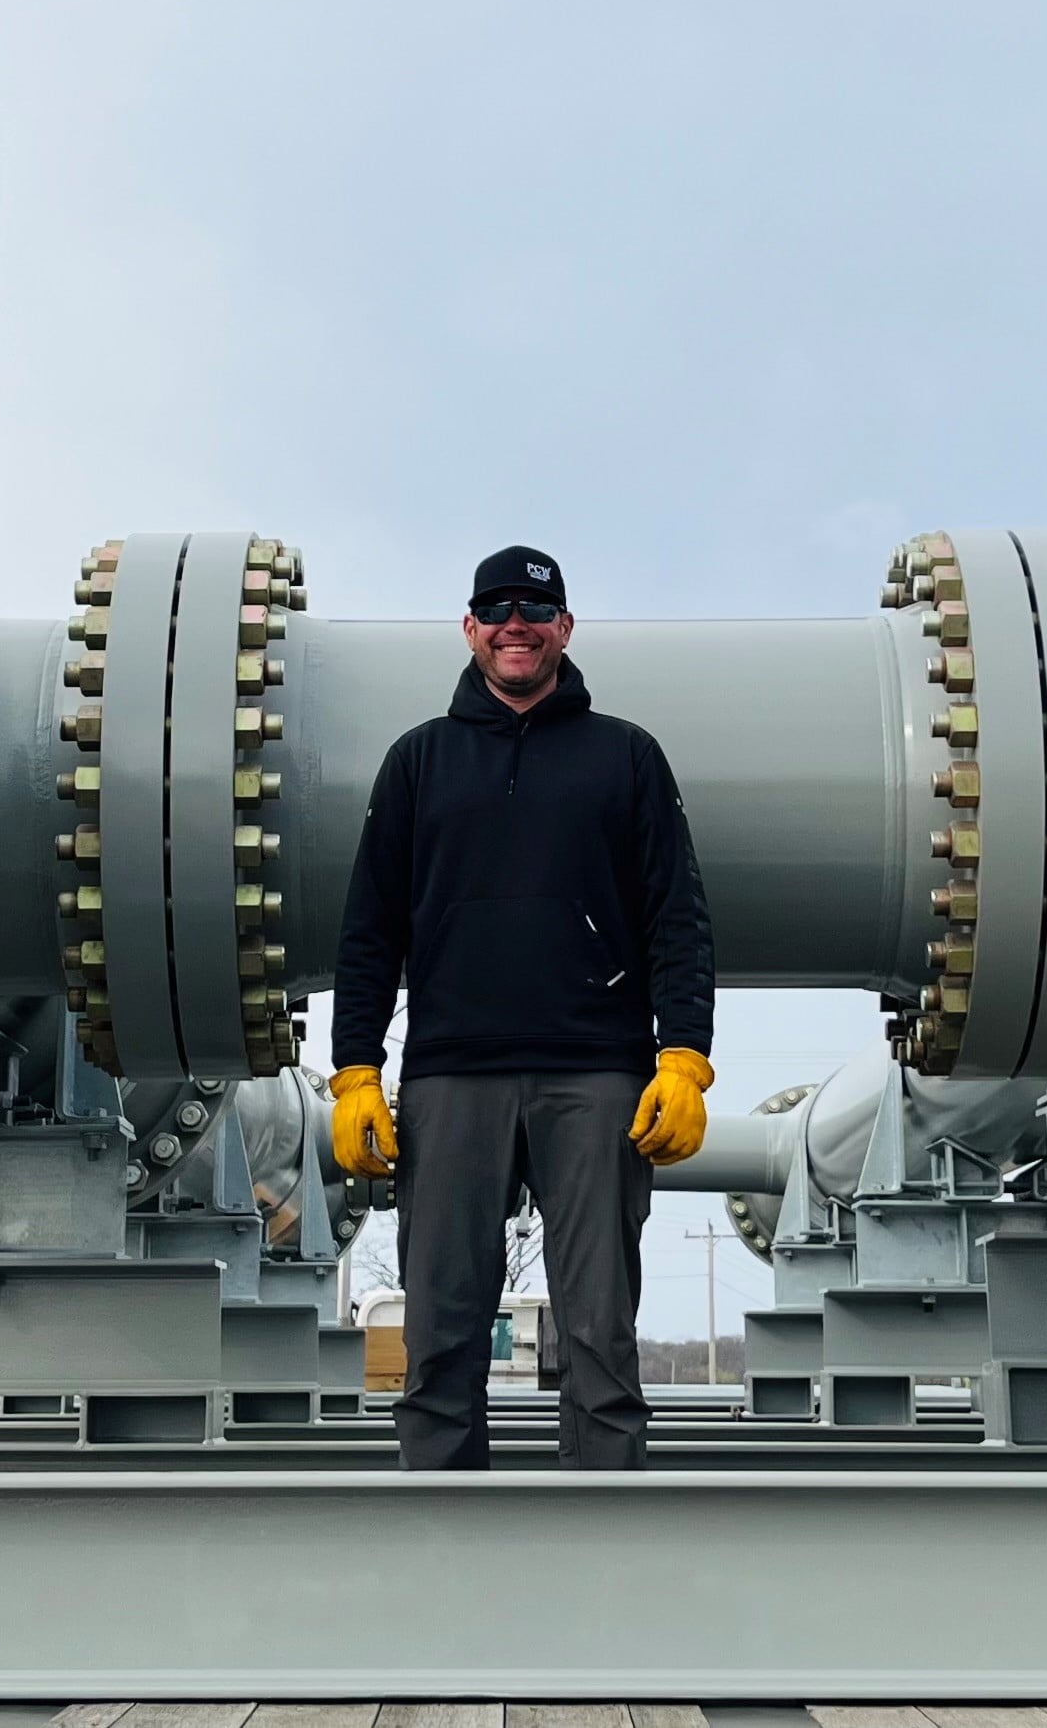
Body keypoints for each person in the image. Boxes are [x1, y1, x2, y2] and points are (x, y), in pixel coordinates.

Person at [327, 544, 716, 1470]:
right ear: (469, 629)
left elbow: (679, 917)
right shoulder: (419, 761)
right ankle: (442, 1555)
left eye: (535, 612)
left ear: (565, 631)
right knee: (441, 1340)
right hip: (453, 1076)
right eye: (496, 610)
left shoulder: (625, 755)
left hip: (598, 1074)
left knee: (599, 1342)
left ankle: (605, 1561)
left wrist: (684, 1056)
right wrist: (353, 1072)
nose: (516, 624)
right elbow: (370, 932)